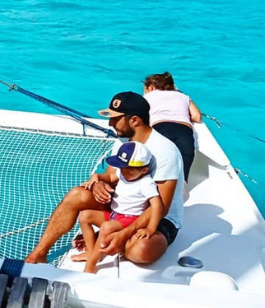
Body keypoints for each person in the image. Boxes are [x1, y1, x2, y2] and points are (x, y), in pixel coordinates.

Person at [25, 91, 183, 265]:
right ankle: (39, 254)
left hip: (157, 218)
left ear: (135, 120)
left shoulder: (165, 151)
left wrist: (123, 234)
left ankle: (103, 242)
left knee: (141, 251)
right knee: (78, 194)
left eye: (115, 119)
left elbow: (161, 208)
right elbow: (111, 176)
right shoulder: (123, 141)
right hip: (124, 207)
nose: (110, 123)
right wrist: (98, 182)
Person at [74, 141, 163, 274]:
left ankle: (91, 264)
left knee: (106, 227)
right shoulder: (123, 173)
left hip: (130, 218)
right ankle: (92, 252)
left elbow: (157, 205)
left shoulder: (146, 183)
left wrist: (150, 228)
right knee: (84, 216)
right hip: (115, 214)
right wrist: (96, 177)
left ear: (144, 170)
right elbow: (110, 176)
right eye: (121, 167)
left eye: (129, 169)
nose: (124, 172)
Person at [143, 72, 202, 181]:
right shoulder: (183, 96)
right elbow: (197, 117)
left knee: (156, 168)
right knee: (183, 176)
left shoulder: (149, 96)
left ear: (150, 88)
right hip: (184, 131)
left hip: (161, 128)